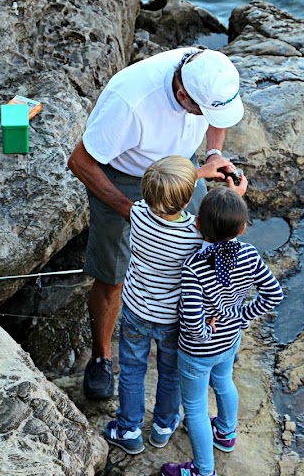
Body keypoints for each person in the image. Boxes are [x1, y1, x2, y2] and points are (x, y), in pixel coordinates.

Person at [67, 47, 245, 400]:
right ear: (182, 95)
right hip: (125, 177)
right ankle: (102, 357)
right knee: (113, 273)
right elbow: (80, 162)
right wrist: (130, 211)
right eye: (203, 111)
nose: (210, 119)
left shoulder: (208, 71)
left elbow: (218, 117)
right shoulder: (129, 103)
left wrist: (213, 154)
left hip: (182, 169)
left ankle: (193, 335)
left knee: (197, 253)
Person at [103, 156, 249, 454]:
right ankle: (163, 426)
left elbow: (164, 195)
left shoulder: (138, 213)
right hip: (173, 319)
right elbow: (220, 233)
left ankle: (129, 429)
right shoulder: (194, 236)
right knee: (170, 373)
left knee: (131, 370)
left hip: (136, 311)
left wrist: (198, 174)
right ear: (186, 201)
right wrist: (232, 197)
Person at [161, 187, 284, 476]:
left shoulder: (194, 266)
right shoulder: (250, 255)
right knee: (224, 382)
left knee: (195, 409)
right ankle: (226, 433)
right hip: (230, 340)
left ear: (197, 224)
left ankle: (203, 470)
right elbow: (273, 294)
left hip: (197, 350)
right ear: (242, 229)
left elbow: (192, 318)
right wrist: (241, 317)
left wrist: (205, 333)